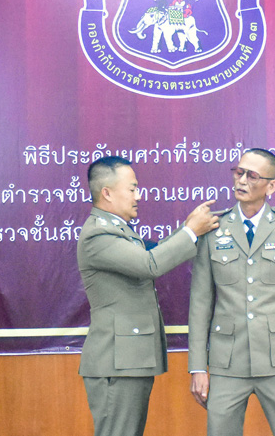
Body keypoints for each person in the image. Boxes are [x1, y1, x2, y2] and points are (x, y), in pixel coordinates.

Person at [78, 156, 219, 436]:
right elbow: (149, 264)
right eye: (132, 189)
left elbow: (151, 253)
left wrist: (188, 228)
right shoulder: (99, 234)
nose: (138, 196)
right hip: (116, 363)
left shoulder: (118, 230)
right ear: (107, 193)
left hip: (129, 362)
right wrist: (190, 232)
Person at [188, 148, 275, 436]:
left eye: (252, 176)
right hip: (227, 362)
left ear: (271, 186)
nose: (241, 181)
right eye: (239, 172)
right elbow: (200, 303)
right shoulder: (212, 229)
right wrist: (197, 367)